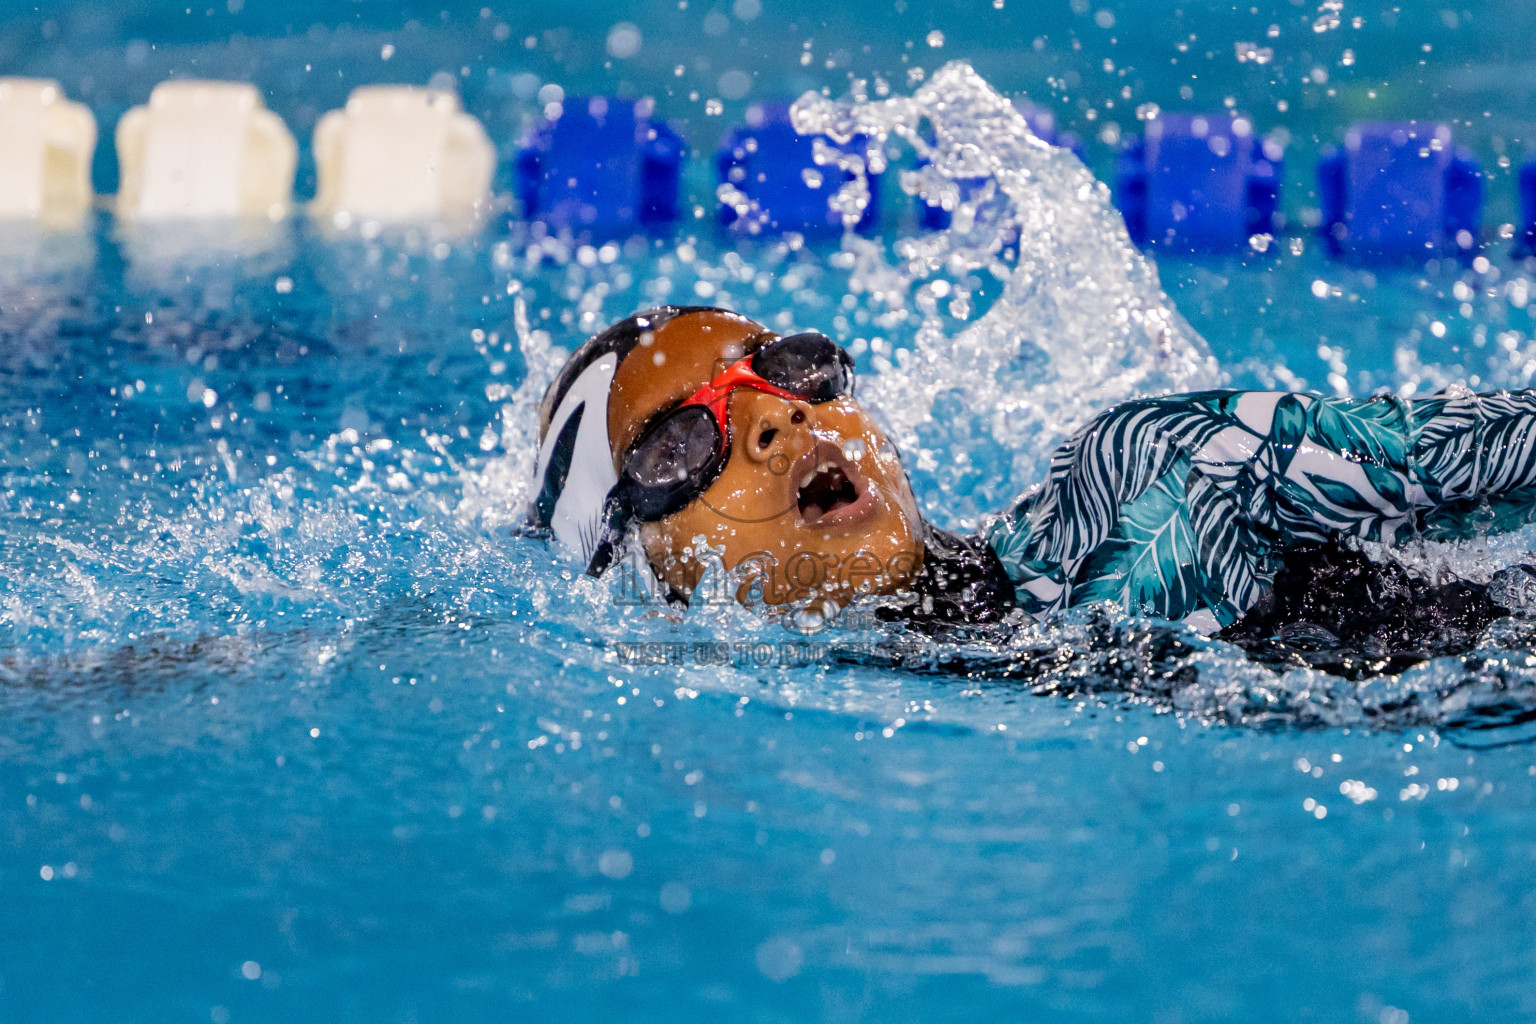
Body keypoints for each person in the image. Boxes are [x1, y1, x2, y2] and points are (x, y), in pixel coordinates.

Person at [524, 305, 1536, 666]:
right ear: (646, 574)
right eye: (679, 445)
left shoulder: (1141, 478)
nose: (777, 418)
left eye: (780, 367)